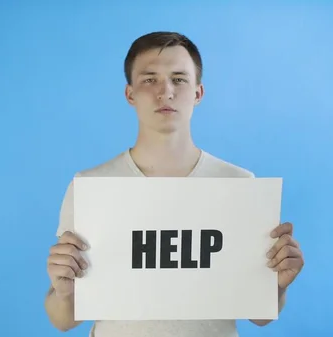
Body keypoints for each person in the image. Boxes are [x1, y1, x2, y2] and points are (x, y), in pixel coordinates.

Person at [44, 31, 305, 337]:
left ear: (198, 92)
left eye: (179, 79)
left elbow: (259, 317)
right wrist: (64, 292)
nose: (165, 91)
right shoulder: (92, 187)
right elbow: (63, 320)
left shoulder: (238, 186)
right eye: (149, 79)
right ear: (130, 94)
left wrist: (275, 286)